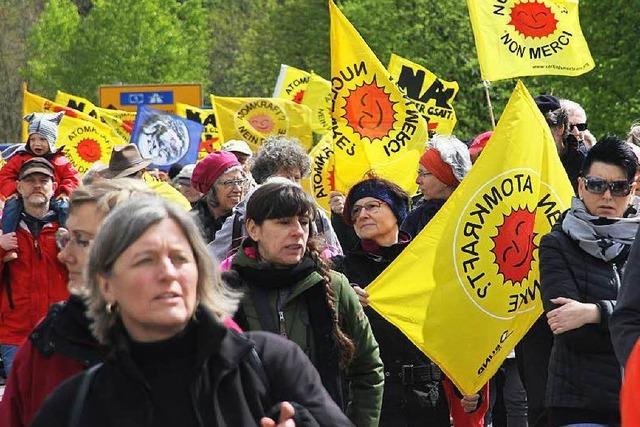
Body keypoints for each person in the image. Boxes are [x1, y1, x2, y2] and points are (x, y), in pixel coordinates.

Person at [31, 197, 351, 427]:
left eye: (180, 258)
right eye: (145, 260)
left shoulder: (271, 364)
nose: (168, 273)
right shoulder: (75, 405)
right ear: (105, 284)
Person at [225, 180, 384, 427]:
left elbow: (368, 369)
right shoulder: (224, 291)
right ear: (253, 229)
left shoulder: (334, 285)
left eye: (304, 222)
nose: (298, 231)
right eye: (284, 222)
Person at [331, 175, 486, 426]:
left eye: (372, 206)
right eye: (356, 210)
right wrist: (343, 299)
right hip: (369, 402)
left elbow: (452, 332)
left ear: (395, 212)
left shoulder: (427, 264)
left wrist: (467, 387)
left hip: (426, 400)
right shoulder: (341, 272)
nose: (361, 215)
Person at [0, 178, 153, 427]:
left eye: (81, 240)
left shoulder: (205, 342)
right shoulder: (46, 341)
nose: (64, 254)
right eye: (65, 237)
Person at [540, 136, 639, 427]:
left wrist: (593, 312)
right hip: (579, 404)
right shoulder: (556, 243)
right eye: (597, 185)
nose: (607, 196)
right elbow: (569, 330)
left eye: (618, 187)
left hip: (633, 398)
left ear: (631, 191)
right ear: (581, 185)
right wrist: (625, 317)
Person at [210, 136, 342, 262]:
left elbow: (336, 259)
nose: (292, 184)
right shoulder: (241, 216)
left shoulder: (317, 216)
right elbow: (210, 261)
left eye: (296, 178)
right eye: (285, 178)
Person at [0, 158, 69, 375]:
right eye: (30, 180)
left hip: (62, 333)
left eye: (43, 180)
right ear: (19, 187)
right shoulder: (4, 231)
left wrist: (76, 248)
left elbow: (90, 277)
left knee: (60, 405)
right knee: (20, 405)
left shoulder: (71, 230)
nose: (37, 185)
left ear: (54, 187)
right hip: (15, 335)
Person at [0, 112, 80, 260]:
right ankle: (7, 243)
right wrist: (14, 191)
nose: (37, 144)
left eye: (42, 139)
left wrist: (64, 192)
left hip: (54, 197)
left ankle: (68, 240)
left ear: (51, 141)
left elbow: (72, 178)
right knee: (11, 206)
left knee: (65, 207)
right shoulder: (20, 157)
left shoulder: (60, 160)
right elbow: (5, 175)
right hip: (23, 197)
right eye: (33, 139)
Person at [401, 134, 471, 239]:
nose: (417, 181)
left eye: (422, 173)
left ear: (444, 178)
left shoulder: (472, 214)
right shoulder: (415, 219)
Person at [100, 144, 191, 210]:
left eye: (129, 176)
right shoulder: (115, 195)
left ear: (142, 172)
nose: (124, 182)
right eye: (118, 178)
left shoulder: (164, 195)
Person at [190, 150, 246, 243]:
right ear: (210, 188)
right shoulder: (188, 224)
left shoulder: (245, 222)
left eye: (240, 182)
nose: (238, 189)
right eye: (229, 183)